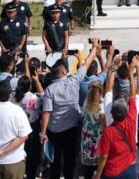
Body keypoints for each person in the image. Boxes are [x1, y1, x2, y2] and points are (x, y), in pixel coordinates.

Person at [41, 41, 99, 179]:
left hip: (54, 130)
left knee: (54, 159)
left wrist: (43, 132)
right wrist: (94, 47)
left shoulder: (49, 90)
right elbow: (86, 64)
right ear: (63, 72)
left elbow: (46, 112)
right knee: (69, 159)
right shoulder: (73, 81)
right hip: (71, 129)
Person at [94, 96, 139, 179]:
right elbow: (132, 100)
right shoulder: (131, 121)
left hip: (113, 172)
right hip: (130, 170)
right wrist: (131, 89)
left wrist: (98, 174)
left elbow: (104, 156)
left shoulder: (108, 132)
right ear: (126, 112)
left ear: (112, 113)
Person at [80, 80, 107, 179]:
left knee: (88, 170)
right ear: (101, 92)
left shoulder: (86, 102)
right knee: (99, 169)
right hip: (97, 140)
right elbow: (104, 126)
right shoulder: (101, 107)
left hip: (86, 137)